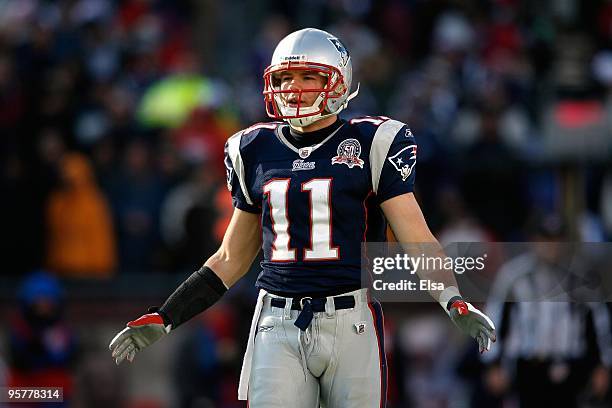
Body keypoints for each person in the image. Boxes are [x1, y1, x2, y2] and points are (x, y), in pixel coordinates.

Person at [109, 28, 496, 407]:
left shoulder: (373, 141)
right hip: (276, 320)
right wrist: (167, 315)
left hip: (352, 320)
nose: (294, 87)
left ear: (339, 81)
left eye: (308, 76)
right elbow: (230, 258)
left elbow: (416, 237)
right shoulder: (252, 148)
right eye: (284, 77)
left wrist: (451, 297)